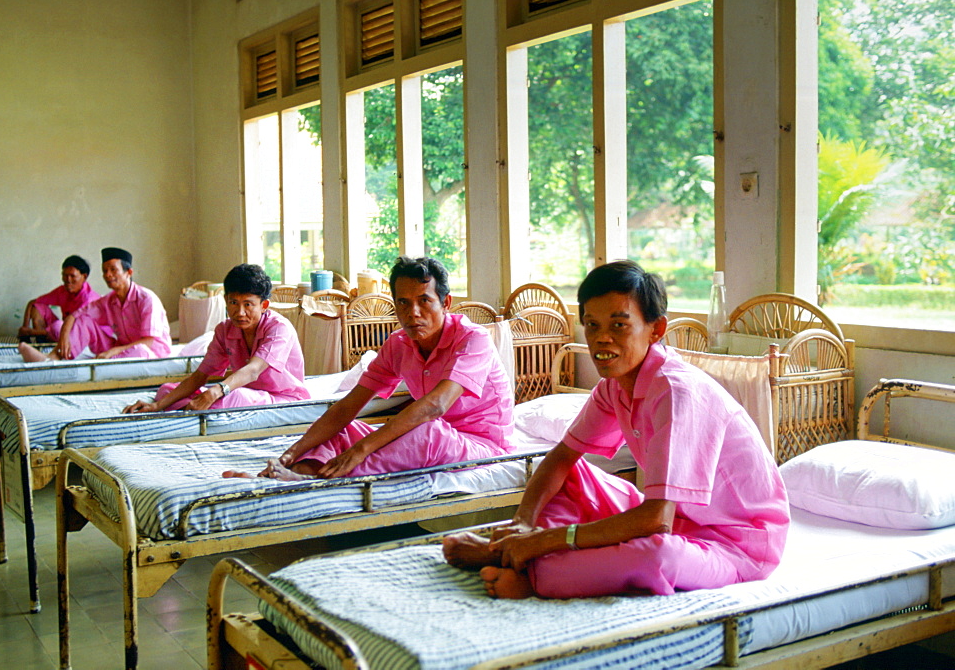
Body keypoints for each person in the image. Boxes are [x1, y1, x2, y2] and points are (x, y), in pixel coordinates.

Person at [444, 260, 790, 600]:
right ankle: (519, 548)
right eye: (592, 325)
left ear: (656, 330)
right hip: (678, 519)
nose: (601, 339)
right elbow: (563, 457)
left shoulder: (676, 392)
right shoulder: (616, 386)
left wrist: (545, 540)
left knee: (656, 556)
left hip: (734, 546)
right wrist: (523, 522)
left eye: (619, 325)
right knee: (568, 474)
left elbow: (656, 521)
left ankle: (535, 573)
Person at [223, 256, 514, 481]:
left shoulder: (473, 339)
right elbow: (348, 405)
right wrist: (291, 452)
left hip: (482, 447)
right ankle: (294, 473)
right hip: (433, 430)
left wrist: (361, 451)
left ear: (445, 303)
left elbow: (434, 407)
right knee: (342, 430)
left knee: (427, 434)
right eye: (403, 302)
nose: (413, 313)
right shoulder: (400, 343)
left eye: (424, 301)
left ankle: (322, 481)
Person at [123, 264, 309, 413]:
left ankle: (195, 410)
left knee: (236, 397)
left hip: (281, 398)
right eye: (233, 303)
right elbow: (200, 377)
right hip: (243, 392)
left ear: (264, 305)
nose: (240, 312)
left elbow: (253, 371)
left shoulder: (278, 329)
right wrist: (157, 406)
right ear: (226, 300)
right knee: (166, 391)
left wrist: (216, 391)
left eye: (248, 304)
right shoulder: (225, 330)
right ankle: (193, 410)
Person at [17, 247, 171, 362]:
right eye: (105, 271)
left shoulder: (146, 299)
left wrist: (113, 352)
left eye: (113, 270)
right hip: (121, 348)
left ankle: (98, 367)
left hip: (151, 354)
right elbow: (76, 315)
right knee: (85, 321)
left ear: (128, 273)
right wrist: (63, 339)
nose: (107, 275)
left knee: (139, 350)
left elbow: (149, 342)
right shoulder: (109, 300)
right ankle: (51, 360)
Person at [18, 255, 99, 341]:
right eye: (65, 275)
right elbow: (33, 303)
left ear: (84, 277)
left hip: (81, 338)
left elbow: (77, 331)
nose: (68, 280)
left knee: (58, 326)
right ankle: (42, 342)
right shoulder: (63, 291)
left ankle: (39, 334)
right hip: (60, 333)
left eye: (72, 276)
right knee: (38, 306)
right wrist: (25, 327)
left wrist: (31, 332)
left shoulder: (89, 299)